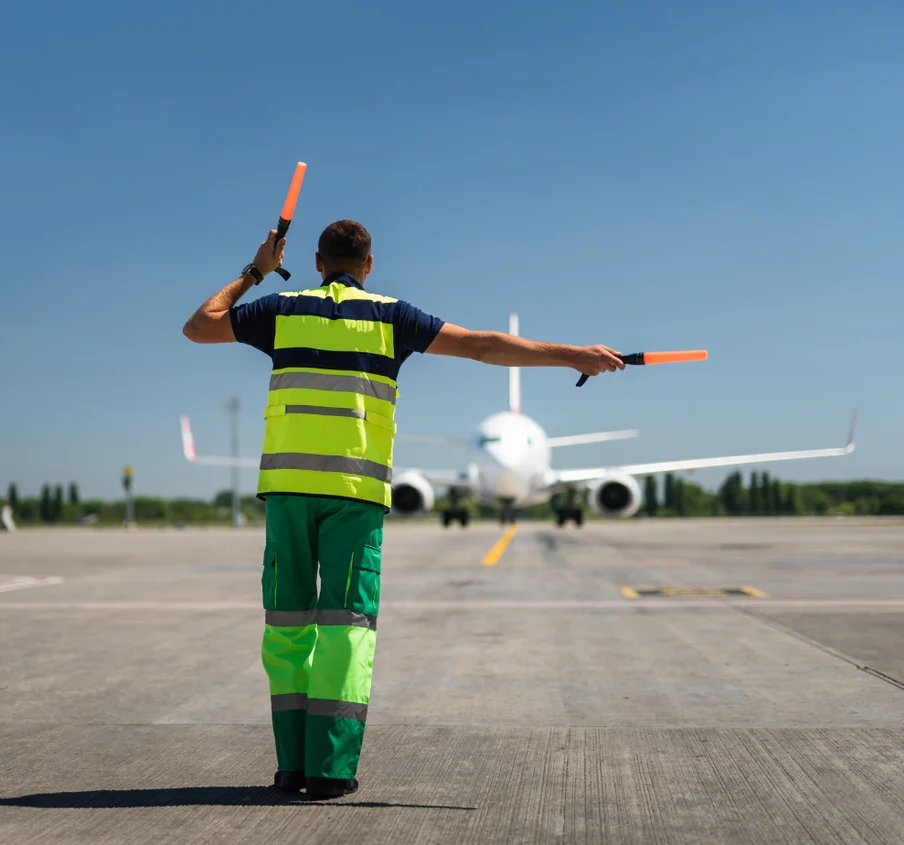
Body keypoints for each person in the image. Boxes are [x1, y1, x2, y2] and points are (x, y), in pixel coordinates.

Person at [182, 219, 623, 799]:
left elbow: (198, 327)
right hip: (354, 497)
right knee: (346, 631)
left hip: (288, 494)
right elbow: (484, 346)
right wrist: (574, 356)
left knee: (287, 627)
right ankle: (330, 771)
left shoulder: (281, 310)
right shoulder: (392, 316)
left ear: (317, 263)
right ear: (369, 265)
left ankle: (290, 768)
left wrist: (256, 270)